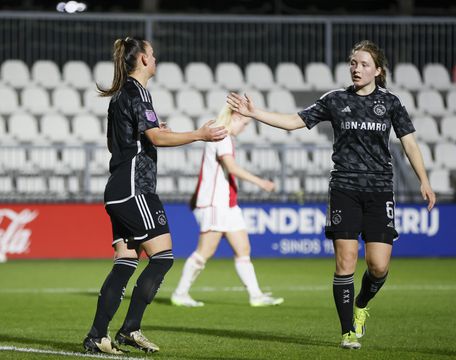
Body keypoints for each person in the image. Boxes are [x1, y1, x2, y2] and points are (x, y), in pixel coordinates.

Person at [227, 40, 436, 349]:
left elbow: (410, 143)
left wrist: (424, 180)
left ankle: (362, 305)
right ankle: (347, 331)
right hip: (344, 190)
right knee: (346, 261)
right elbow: (293, 123)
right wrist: (254, 112)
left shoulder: (391, 103)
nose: (356, 68)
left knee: (378, 266)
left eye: (364, 64)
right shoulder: (335, 100)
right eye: (353, 63)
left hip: (380, 191)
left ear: (378, 70)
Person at [83, 36, 227, 355]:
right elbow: (156, 138)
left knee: (126, 261)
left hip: (118, 188)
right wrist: (200, 135)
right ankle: (129, 329)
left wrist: (151, 133)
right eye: (152, 53)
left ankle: (97, 336)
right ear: (144, 60)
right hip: (136, 189)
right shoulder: (139, 92)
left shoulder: (121, 96)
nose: (156, 57)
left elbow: (121, 142)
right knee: (162, 258)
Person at [170, 105, 284, 308]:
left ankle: (256, 295)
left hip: (228, 204)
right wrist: (261, 182)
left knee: (243, 249)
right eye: (245, 123)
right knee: (205, 251)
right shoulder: (221, 135)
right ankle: (180, 293)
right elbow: (231, 167)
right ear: (236, 116)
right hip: (216, 204)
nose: (245, 128)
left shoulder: (222, 135)